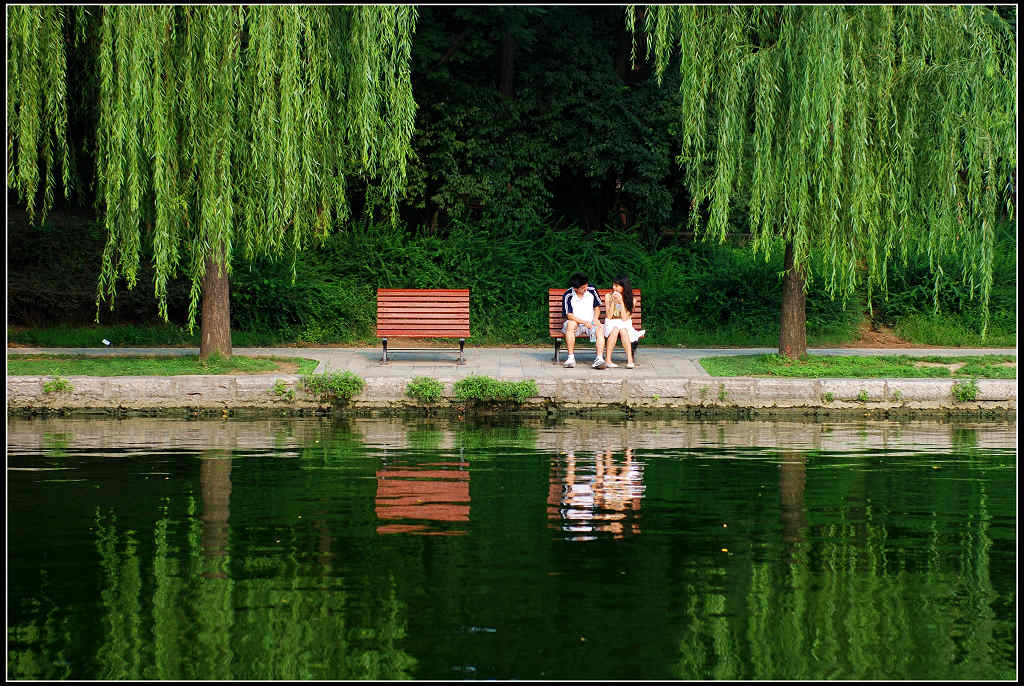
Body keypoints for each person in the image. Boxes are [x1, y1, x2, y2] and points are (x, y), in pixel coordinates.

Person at [561, 272, 606, 369]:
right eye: (582, 288)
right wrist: (583, 322)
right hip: (576, 323)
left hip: (590, 322)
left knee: (600, 328)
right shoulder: (568, 295)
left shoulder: (592, 290)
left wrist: (595, 319)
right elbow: (569, 315)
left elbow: (597, 308)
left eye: (586, 286)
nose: (585, 289)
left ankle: (599, 359)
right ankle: (571, 359)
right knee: (571, 324)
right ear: (575, 288)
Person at [602, 275, 646, 369]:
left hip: (624, 323)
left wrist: (621, 302)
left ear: (624, 287)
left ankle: (630, 360)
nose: (614, 288)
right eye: (614, 285)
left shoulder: (632, 300)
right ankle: (608, 360)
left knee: (623, 330)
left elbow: (625, 318)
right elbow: (609, 316)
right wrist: (613, 302)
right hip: (611, 323)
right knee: (615, 329)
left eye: (617, 286)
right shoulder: (608, 296)